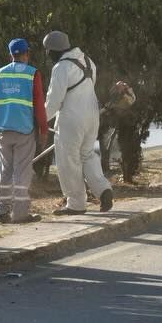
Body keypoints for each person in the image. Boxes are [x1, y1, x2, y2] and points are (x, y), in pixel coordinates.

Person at [43, 30, 113, 216]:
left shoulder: (61, 68)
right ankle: (103, 190)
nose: (47, 55)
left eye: (47, 51)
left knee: (68, 160)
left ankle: (76, 203)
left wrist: (39, 119)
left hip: (71, 119)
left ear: (53, 50)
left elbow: (54, 100)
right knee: (87, 155)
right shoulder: (89, 62)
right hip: (92, 115)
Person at [0, 39, 49, 224]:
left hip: (3, 130)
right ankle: (20, 213)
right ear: (26, 54)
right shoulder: (32, 74)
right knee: (22, 172)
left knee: (5, 172)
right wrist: (43, 130)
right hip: (24, 130)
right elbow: (39, 105)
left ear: (11, 54)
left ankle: (2, 212)